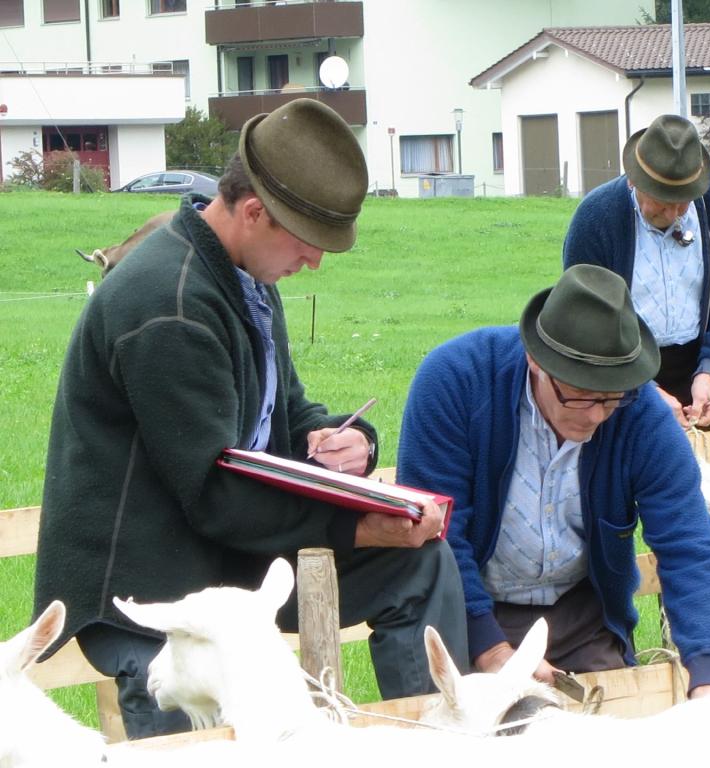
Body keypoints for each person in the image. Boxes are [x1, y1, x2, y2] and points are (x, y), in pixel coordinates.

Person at [33, 99, 468, 739]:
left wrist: (340, 439)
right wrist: (356, 526)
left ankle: (446, 743)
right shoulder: (170, 305)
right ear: (255, 212)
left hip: (232, 552)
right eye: (308, 242)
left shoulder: (245, 275)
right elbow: (217, 491)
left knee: (417, 565)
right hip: (152, 583)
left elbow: (281, 413)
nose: (316, 262)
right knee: (195, 740)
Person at [397, 263, 710, 698]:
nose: (597, 415)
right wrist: (493, 651)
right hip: (459, 611)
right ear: (535, 361)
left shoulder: (639, 414)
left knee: (608, 722)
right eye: (579, 396)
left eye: (610, 397)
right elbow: (441, 534)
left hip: (580, 616)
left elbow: (690, 542)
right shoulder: (456, 382)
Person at [563, 114, 710, 430]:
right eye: (663, 201)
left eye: (683, 202)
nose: (674, 213)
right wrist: (641, 388)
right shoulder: (596, 217)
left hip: (694, 379)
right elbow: (585, 319)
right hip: (617, 381)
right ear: (634, 180)